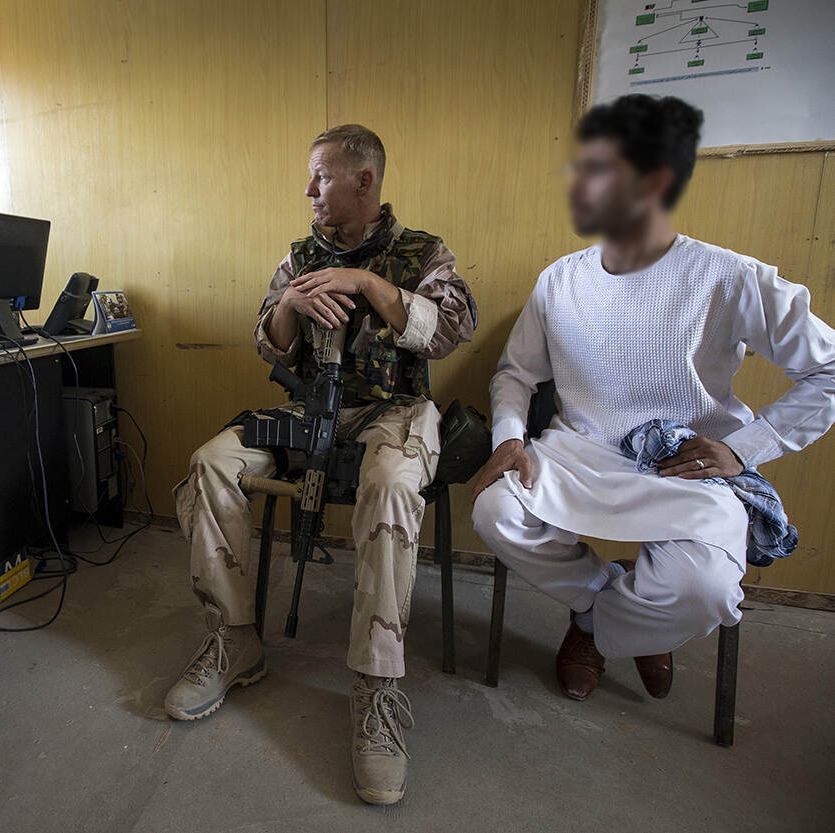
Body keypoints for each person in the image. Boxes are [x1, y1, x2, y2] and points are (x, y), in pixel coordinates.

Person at [471, 95, 835, 704]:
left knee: (705, 589)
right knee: (496, 512)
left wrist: (744, 449)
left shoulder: (728, 276)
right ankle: (612, 616)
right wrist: (509, 437)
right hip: (579, 454)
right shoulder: (560, 279)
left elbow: (829, 368)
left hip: (681, 465)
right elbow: (516, 373)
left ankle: (599, 627)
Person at [168, 124, 477, 805]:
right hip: (312, 409)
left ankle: (376, 685)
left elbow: (450, 330)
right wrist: (289, 303)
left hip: (394, 411)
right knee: (211, 462)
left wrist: (366, 282)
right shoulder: (300, 256)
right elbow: (270, 345)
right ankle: (234, 638)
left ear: (364, 181)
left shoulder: (423, 252)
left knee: (391, 482)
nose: (309, 189)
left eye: (323, 176)